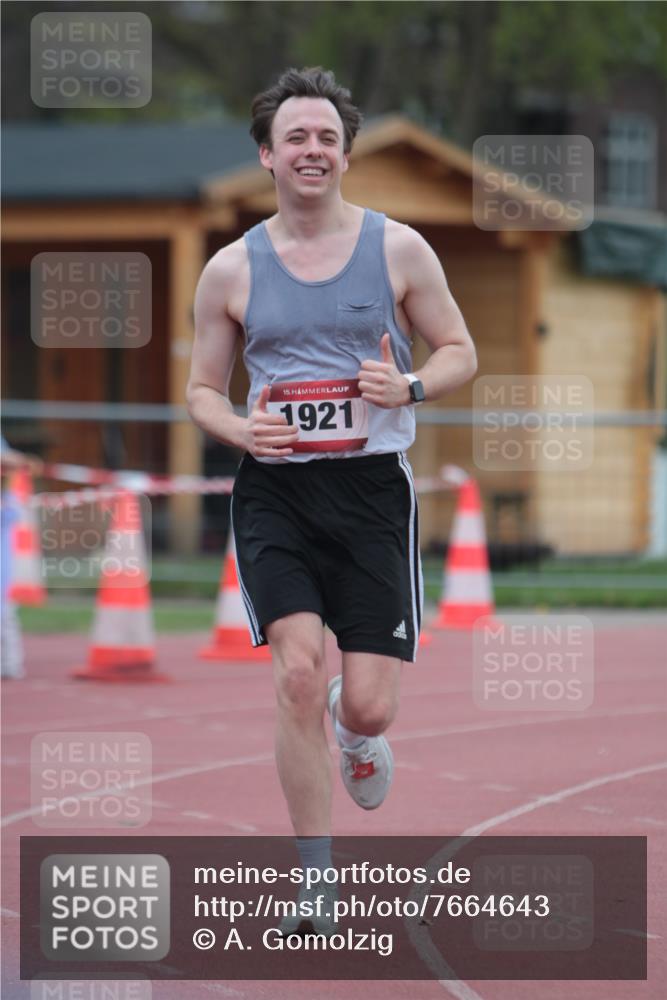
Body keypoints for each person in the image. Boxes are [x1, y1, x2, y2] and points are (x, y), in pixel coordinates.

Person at [187, 67, 476, 933]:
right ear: (266, 155)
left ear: (345, 153)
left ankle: (357, 739)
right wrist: (240, 428)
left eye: (326, 137)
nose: (312, 150)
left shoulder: (399, 249)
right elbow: (202, 390)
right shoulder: (230, 270)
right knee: (298, 674)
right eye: (296, 138)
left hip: (371, 493)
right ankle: (317, 882)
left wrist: (410, 388)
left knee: (366, 702)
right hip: (275, 492)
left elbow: (459, 348)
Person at [1, 436, 42, 679]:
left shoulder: (9, 506)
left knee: (5, 611)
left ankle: (9, 663)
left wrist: (18, 462)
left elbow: (15, 460)